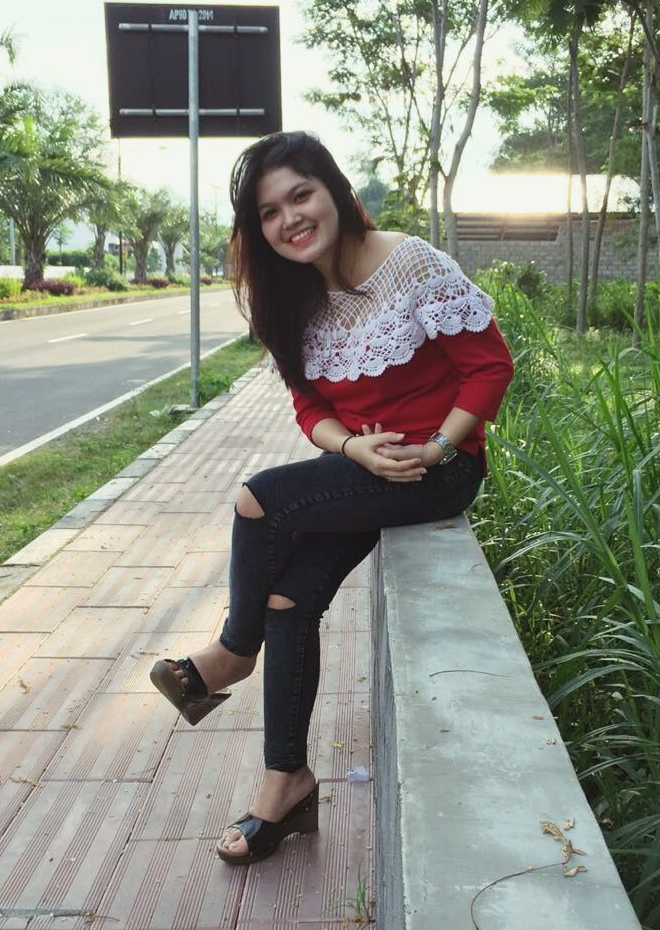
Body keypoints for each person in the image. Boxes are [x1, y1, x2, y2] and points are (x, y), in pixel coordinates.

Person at [150, 130, 514, 865]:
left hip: (435, 469)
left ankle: (229, 654)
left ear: (336, 193)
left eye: (300, 195)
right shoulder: (290, 301)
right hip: (364, 471)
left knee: (260, 498)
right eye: (269, 212)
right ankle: (285, 783)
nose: (290, 218)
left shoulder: (410, 264)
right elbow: (309, 409)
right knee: (289, 598)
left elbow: (490, 366)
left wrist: (437, 447)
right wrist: (352, 447)